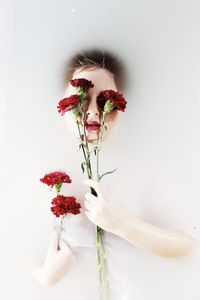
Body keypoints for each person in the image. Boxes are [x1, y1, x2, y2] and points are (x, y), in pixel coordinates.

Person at [32, 48, 194, 288]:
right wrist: (45, 276)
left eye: (105, 100)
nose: (93, 112)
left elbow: (188, 247)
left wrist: (123, 224)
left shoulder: (145, 170)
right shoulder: (36, 172)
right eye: (81, 100)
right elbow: (13, 256)